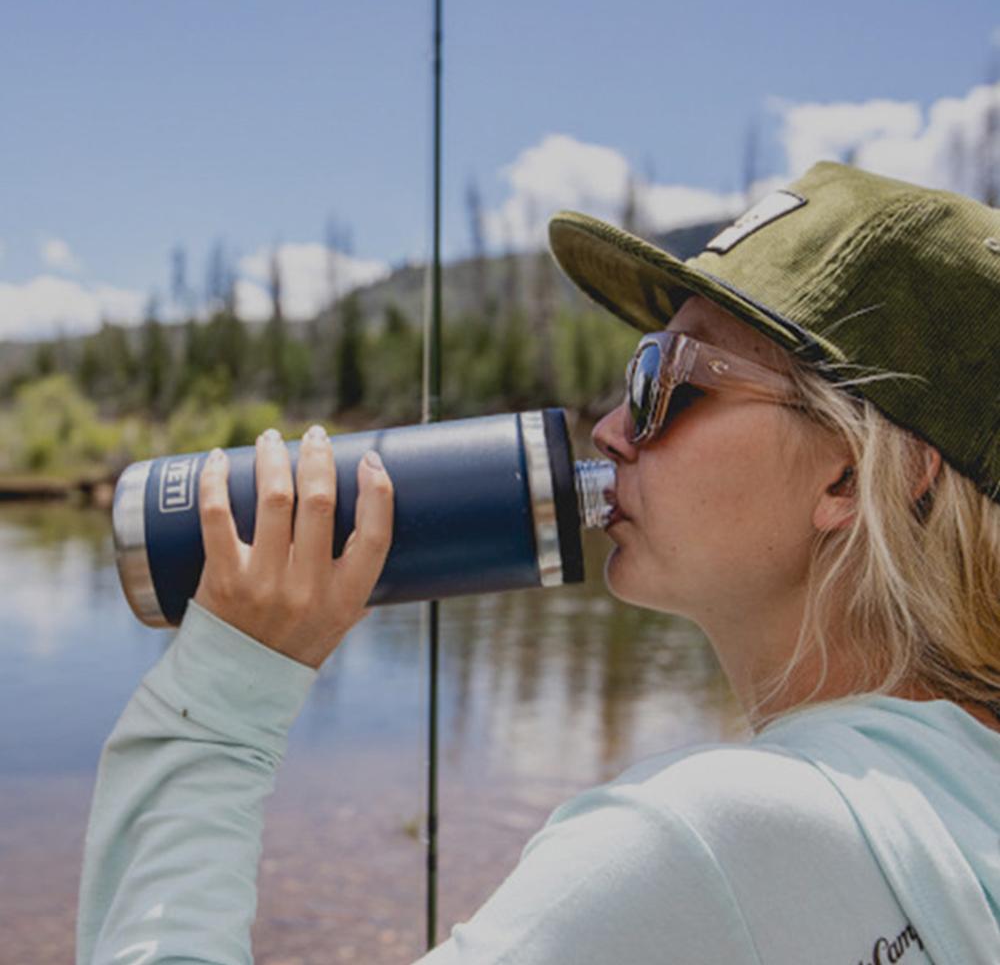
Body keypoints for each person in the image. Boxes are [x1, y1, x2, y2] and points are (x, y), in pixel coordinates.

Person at [77, 161, 1000, 964]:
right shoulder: (965, 803)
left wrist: (215, 714)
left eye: (665, 380)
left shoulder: (701, 843)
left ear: (847, 475)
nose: (608, 428)